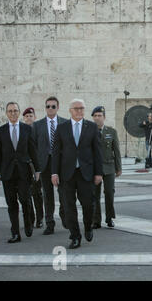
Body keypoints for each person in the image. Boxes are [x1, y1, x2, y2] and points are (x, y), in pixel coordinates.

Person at [51, 99, 103, 249]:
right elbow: (56, 153)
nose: (79, 111)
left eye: (82, 108)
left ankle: (88, 226)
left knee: (88, 204)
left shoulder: (92, 127)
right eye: (76, 108)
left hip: (85, 173)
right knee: (68, 206)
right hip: (66, 174)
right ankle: (75, 236)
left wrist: (98, 173)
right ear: (70, 110)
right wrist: (54, 172)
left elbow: (97, 152)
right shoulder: (61, 128)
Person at [0, 102, 40, 243]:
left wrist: (37, 170)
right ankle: (15, 233)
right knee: (11, 204)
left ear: (19, 113)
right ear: (7, 113)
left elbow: (33, 150)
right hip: (7, 173)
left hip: (23, 172)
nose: (13, 113)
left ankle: (28, 224)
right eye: (10, 111)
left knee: (25, 200)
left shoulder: (26, 129)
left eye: (15, 111)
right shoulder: (1, 130)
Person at [33, 97, 68, 235]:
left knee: (64, 193)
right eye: (48, 106)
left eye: (53, 106)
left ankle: (64, 215)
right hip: (45, 164)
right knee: (47, 195)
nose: (50, 109)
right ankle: (49, 223)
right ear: (45, 107)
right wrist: (37, 167)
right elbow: (34, 147)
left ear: (58, 107)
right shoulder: (37, 125)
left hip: (61, 164)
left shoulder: (65, 123)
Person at [91, 106, 122, 229]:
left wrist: (118, 168)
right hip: (94, 168)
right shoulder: (89, 131)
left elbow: (117, 151)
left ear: (104, 117)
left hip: (109, 167)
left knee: (109, 192)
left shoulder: (111, 132)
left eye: (100, 116)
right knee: (95, 195)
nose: (97, 118)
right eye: (95, 116)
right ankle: (96, 220)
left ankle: (109, 217)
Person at [23, 107, 44, 229]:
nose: (29, 118)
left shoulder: (39, 130)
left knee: (37, 193)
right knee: (26, 194)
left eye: (31, 116)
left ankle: (39, 219)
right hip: (25, 166)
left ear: (34, 117)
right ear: (24, 118)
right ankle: (30, 218)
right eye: (26, 116)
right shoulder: (21, 130)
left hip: (36, 167)